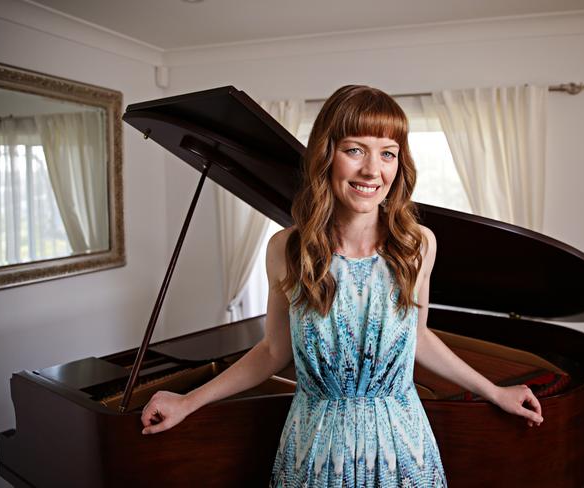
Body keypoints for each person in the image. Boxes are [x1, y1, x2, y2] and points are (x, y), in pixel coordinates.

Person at [140, 85, 544, 487]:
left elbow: (418, 338)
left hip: (401, 448)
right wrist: (188, 401)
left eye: (387, 153)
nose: (372, 170)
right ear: (326, 155)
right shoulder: (287, 248)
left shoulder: (418, 245)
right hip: (315, 449)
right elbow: (272, 351)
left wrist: (494, 391)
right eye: (355, 150)